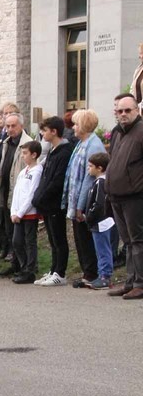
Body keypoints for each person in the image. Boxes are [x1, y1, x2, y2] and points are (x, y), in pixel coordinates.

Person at [104, 94, 143, 300]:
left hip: (135, 196)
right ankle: (130, 281)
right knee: (127, 242)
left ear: (136, 110)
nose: (124, 114)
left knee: (138, 241)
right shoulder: (118, 133)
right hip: (117, 195)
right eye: (120, 111)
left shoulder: (141, 131)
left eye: (128, 110)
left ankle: (140, 283)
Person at [64, 109, 104, 288]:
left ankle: (92, 273)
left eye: (76, 123)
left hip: (85, 201)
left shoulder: (93, 145)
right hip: (75, 200)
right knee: (80, 239)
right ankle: (87, 272)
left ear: (85, 125)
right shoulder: (81, 143)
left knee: (86, 238)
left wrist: (80, 206)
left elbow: (88, 179)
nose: (73, 127)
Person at [33, 116, 73, 286]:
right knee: (52, 239)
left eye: (44, 130)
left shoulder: (64, 151)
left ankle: (60, 272)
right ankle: (53, 269)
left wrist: (42, 196)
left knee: (59, 238)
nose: (42, 133)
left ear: (54, 131)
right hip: (46, 204)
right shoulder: (52, 150)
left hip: (55, 203)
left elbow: (57, 180)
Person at [0, 112, 31, 275]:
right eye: (7, 126)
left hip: (19, 193)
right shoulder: (6, 143)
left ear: (21, 126)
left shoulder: (27, 143)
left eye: (13, 126)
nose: (10, 129)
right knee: (9, 231)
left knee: (21, 234)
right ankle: (15, 263)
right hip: (5, 190)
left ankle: (25, 265)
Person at [8, 139, 43, 284]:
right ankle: (23, 267)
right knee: (17, 241)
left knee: (29, 242)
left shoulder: (37, 171)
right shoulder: (23, 171)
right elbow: (17, 193)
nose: (23, 156)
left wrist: (21, 212)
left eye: (25, 153)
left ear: (34, 155)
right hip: (18, 214)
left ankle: (30, 270)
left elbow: (31, 194)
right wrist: (13, 211)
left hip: (29, 213)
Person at [83, 150, 114, 289]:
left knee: (103, 249)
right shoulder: (97, 182)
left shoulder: (101, 183)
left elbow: (99, 203)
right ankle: (101, 274)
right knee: (99, 249)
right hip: (98, 222)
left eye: (90, 166)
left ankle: (105, 276)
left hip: (101, 222)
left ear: (99, 168)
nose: (88, 169)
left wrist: (89, 216)